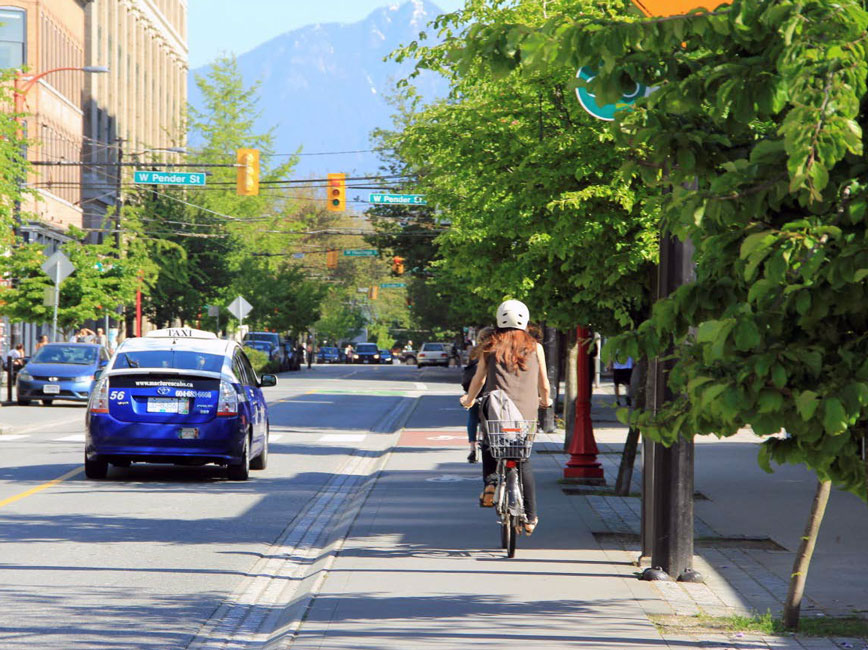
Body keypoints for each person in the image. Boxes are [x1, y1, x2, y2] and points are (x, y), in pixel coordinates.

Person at [460, 300, 551, 535]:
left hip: (497, 412)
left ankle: (490, 482)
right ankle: (530, 517)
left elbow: (479, 378)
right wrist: (545, 400)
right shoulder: (535, 347)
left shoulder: (491, 345)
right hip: (526, 414)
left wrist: (469, 399)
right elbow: (544, 382)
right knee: (523, 461)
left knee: (490, 444)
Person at [461, 328, 493, 464]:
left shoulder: (474, 351)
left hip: (475, 390)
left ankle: (472, 447)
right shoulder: (495, 350)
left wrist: (469, 396)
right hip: (491, 390)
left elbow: (472, 374)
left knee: (472, 416)